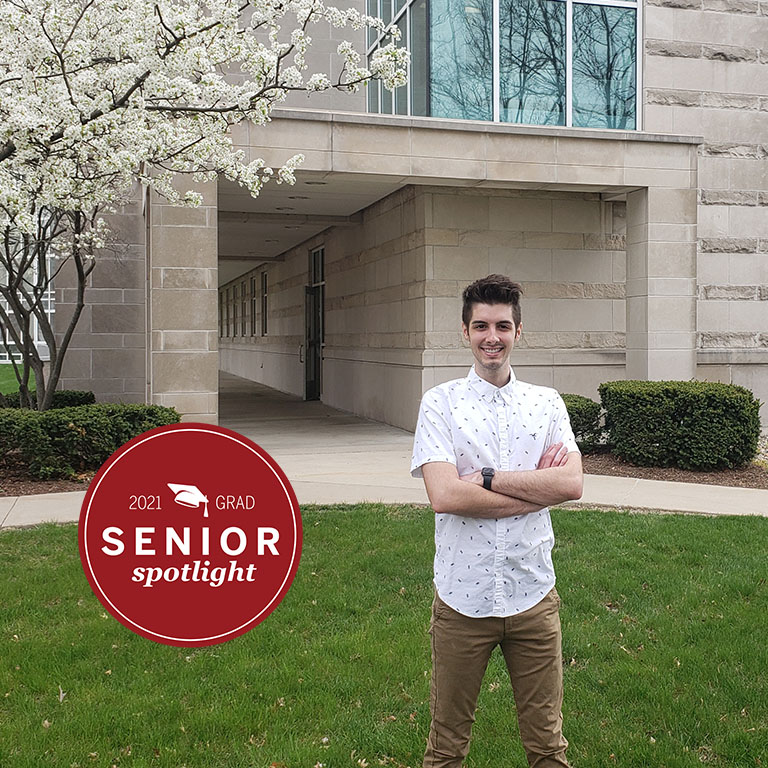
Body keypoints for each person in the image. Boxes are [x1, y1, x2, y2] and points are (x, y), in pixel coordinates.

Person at [410, 274, 583, 768]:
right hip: (463, 601)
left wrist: (484, 480)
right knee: (446, 747)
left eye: (502, 326)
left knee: (548, 747)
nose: (492, 336)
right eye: (481, 325)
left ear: (518, 332)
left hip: (533, 597)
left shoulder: (546, 403)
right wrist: (535, 489)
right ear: (465, 332)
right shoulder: (439, 403)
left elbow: (570, 484)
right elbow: (444, 495)